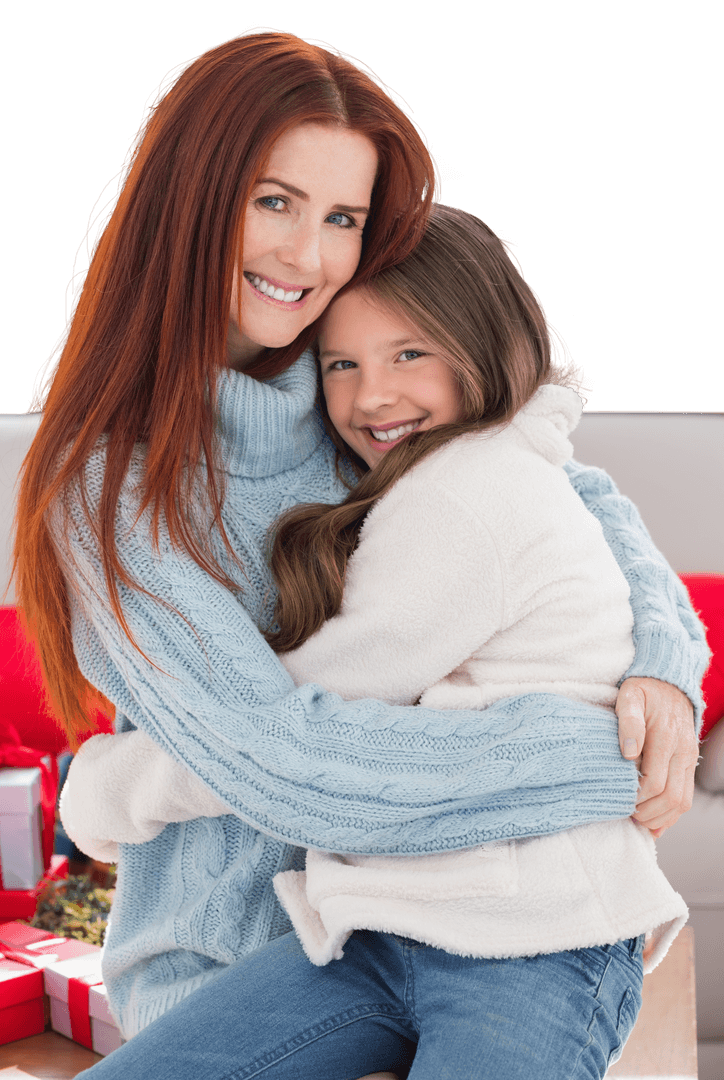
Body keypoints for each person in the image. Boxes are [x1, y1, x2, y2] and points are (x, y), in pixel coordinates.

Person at [17, 25, 706, 1064]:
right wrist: (604, 761)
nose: (308, 256)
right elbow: (290, 765)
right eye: (273, 201)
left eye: (341, 217)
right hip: (236, 964)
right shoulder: (111, 493)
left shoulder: (365, 398)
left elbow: (566, 489)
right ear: (190, 201)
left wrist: (664, 663)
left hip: (433, 912)